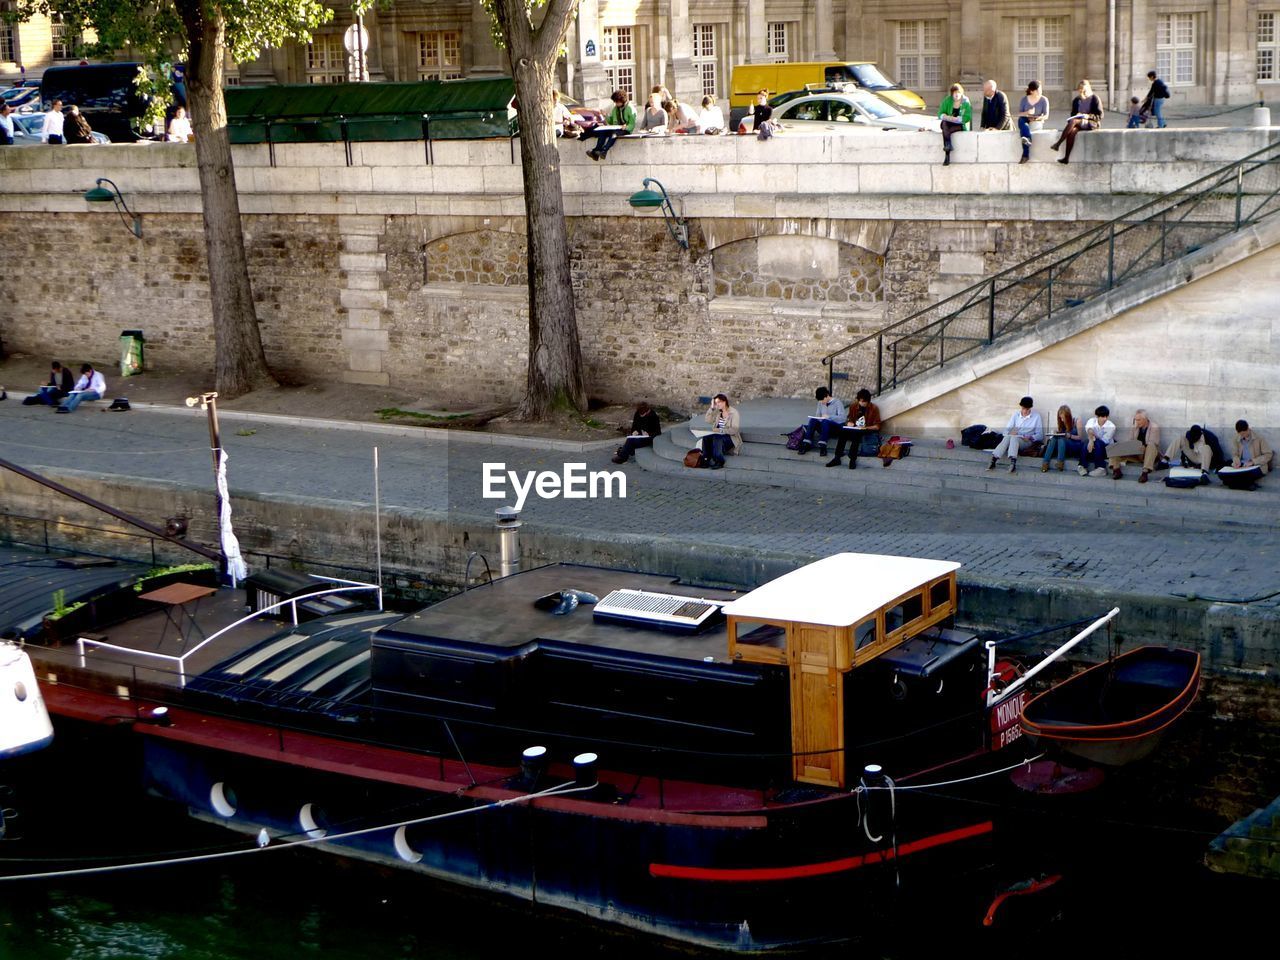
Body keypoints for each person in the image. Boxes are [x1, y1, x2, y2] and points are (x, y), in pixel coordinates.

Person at [825, 388, 881, 469]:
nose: (861, 403)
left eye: (864, 401)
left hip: (866, 429)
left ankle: (852, 459)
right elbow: (849, 419)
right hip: (855, 428)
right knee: (843, 432)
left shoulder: (874, 408)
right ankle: (837, 457)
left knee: (857, 434)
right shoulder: (854, 406)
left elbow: (877, 426)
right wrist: (849, 422)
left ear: (868, 401)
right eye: (860, 401)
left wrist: (866, 427)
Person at [1050, 79, 1102, 165]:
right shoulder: (1077, 100)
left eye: (1085, 91)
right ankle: (1066, 158)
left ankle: (1058, 144)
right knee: (1072, 131)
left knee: (1074, 121)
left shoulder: (1095, 98)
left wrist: (1088, 116)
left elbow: (1099, 115)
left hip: (1091, 123)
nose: (1083, 93)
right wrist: (1077, 114)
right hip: (1079, 121)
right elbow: (1072, 114)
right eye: (1081, 91)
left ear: (1089, 89)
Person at [987, 396, 1043, 473]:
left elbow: (1040, 435)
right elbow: (1006, 430)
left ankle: (1012, 463)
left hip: (1026, 441)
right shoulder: (1016, 415)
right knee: (1009, 437)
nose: (1025, 411)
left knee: (1013, 438)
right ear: (1021, 407)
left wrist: (1030, 437)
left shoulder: (1036, 416)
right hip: (1014, 439)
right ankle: (994, 460)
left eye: (1027, 409)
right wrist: (1011, 432)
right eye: (1023, 408)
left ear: (1030, 408)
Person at [1107, 409, 1162, 482]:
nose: (1137, 422)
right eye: (1135, 420)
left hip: (1150, 454)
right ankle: (1116, 470)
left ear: (1145, 419)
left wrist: (1143, 446)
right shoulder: (1134, 426)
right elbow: (1130, 441)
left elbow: (1154, 442)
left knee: (1151, 446)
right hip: (1137, 452)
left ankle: (1145, 472)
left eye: (1139, 420)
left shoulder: (1154, 427)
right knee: (1115, 447)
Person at [585, 90, 635, 161]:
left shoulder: (630, 108)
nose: (616, 103)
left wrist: (626, 127)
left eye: (617, 102)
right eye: (615, 102)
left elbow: (632, 124)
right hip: (616, 127)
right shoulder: (615, 109)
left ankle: (604, 151)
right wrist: (605, 115)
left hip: (625, 129)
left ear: (622, 101)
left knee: (614, 134)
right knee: (603, 132)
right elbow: (612, 121)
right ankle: (596, 152)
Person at [797, 387, 845, 457]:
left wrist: (829, 417)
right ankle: (806, 443)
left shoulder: (837, 402)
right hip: (823, 427)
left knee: (826, 421)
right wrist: (819, 419)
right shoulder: (820, 403)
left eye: (822, 399)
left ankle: (823, 445)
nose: (821, 402)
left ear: (827, 396)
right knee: (813, 420)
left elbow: (842, 418)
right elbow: (817, 416)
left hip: (834, 428)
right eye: (820, 400)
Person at [701, 394, 741, 469]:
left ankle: (719, 461)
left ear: (724, 402)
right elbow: (708, 420)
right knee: (706, 437)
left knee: (717, 438)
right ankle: (706, 459)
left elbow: (734, 430)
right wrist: (711, 408)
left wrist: (720, 430)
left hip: (730, 437)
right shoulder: (718, 412)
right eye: (716, 403)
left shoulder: (734, 413)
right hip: (718, 435)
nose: (717, 404)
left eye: (718, 402)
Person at [937, 83, 971, 166]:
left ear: (961, 92)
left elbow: (968, 117)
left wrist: (957, 119)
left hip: (959, 125)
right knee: (944, 124)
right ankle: (948, 146)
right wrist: (947, 117)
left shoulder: (965, 102)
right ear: (951, 93)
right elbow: (940, 113)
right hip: (948, 123)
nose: (956, 95)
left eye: (958, 92)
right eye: (954, 93)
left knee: (946, 131)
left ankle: (947, 154)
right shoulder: (947, 100)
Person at [1077, 404, 1116, 476]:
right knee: (1085, 442)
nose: (1105, 419)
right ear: (1097, 416)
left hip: (1105, 450)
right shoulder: (1092, 421)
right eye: (1102, 416)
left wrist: (1092, 439)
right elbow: (1089, 429)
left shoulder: (1111, 426)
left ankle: (1101, 468)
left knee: (1097, 442)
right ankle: (1081, 466)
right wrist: (1091, 440)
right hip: (1092, 449)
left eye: (1106, 416)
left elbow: (1104, 441)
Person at [1041, 404, 1082, 471]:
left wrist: (1070, 436)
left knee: (1061, 439)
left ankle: (1060, 462)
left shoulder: (1077, 421)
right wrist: (1056, 432)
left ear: (1068, 416)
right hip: (1062, 446)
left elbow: (1080, 437)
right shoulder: (1062, 422)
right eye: (1061, 418)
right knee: (1054, 438)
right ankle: (1045, 463)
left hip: (1073, 445)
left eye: (1064, 418)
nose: (1062, 420)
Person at [1016, 80, 1049, 164]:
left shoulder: (1044, 100)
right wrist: (1027, 113)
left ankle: (1025, 155)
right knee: (1022, 122)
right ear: (1031, 91)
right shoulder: (1024, 99)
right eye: (1038, 90)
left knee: (1024, 133)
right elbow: (1020, 113)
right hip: (1026, 118)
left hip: (1037, 120)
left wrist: (1037, 118)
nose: (1040, 92)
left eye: (1040, 90)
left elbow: (1046, 116)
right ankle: (1028, 139)